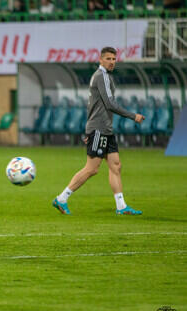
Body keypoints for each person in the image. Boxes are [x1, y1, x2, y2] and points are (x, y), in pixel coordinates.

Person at [52, 47, 145, 216]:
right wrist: (133, 116)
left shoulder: (106, 76)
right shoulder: (101, 76)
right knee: (92, 169)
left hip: (106, 130)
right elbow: (110, 104)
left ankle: (121, 206)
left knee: (115, 166)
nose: (112, 62)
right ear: (100, 60)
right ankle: (62, 198)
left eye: (114, 59)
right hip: (99, 129)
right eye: (108, 58)